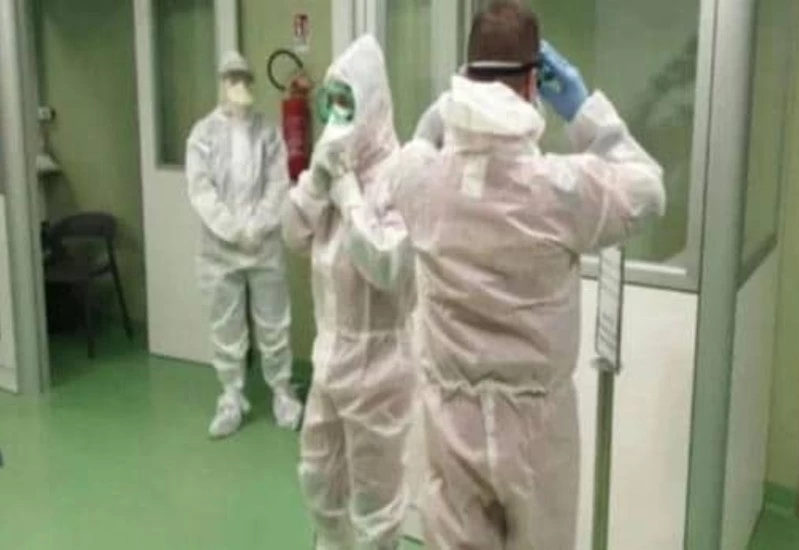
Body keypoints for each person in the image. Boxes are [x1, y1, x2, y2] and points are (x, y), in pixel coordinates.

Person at [332, 2, 666, 548]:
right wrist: (584, 112)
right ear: (534, 83)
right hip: (539, 433)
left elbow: (395, 176)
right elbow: (648, 190)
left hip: (451, 423)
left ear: (463, 79)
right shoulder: (561, 188)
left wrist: (430, 127)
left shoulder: (422, 180)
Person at [281, 36, 416, 550]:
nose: (338, 116)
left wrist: (349, 196)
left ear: (374, 104)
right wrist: (317, 182)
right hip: (330, 361)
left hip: (380, 369)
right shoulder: (332, 162)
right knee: (317, 479)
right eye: (331, 101)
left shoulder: (402, 174)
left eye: (348, 102)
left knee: (377, 505)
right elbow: (292, 235)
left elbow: (389, 266)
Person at [186, 51, 303, 439]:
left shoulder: (267, 132)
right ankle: (231, 397)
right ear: (221, 84)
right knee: (226, 324)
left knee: (274, 321)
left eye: (245, 78)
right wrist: (232, 229)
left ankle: (282, 392)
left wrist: (257, 225)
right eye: (232, 78)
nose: (240, 85)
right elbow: (200, 190)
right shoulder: (203, 135)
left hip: (263, 245)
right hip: (220, 249)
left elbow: (278, 182)